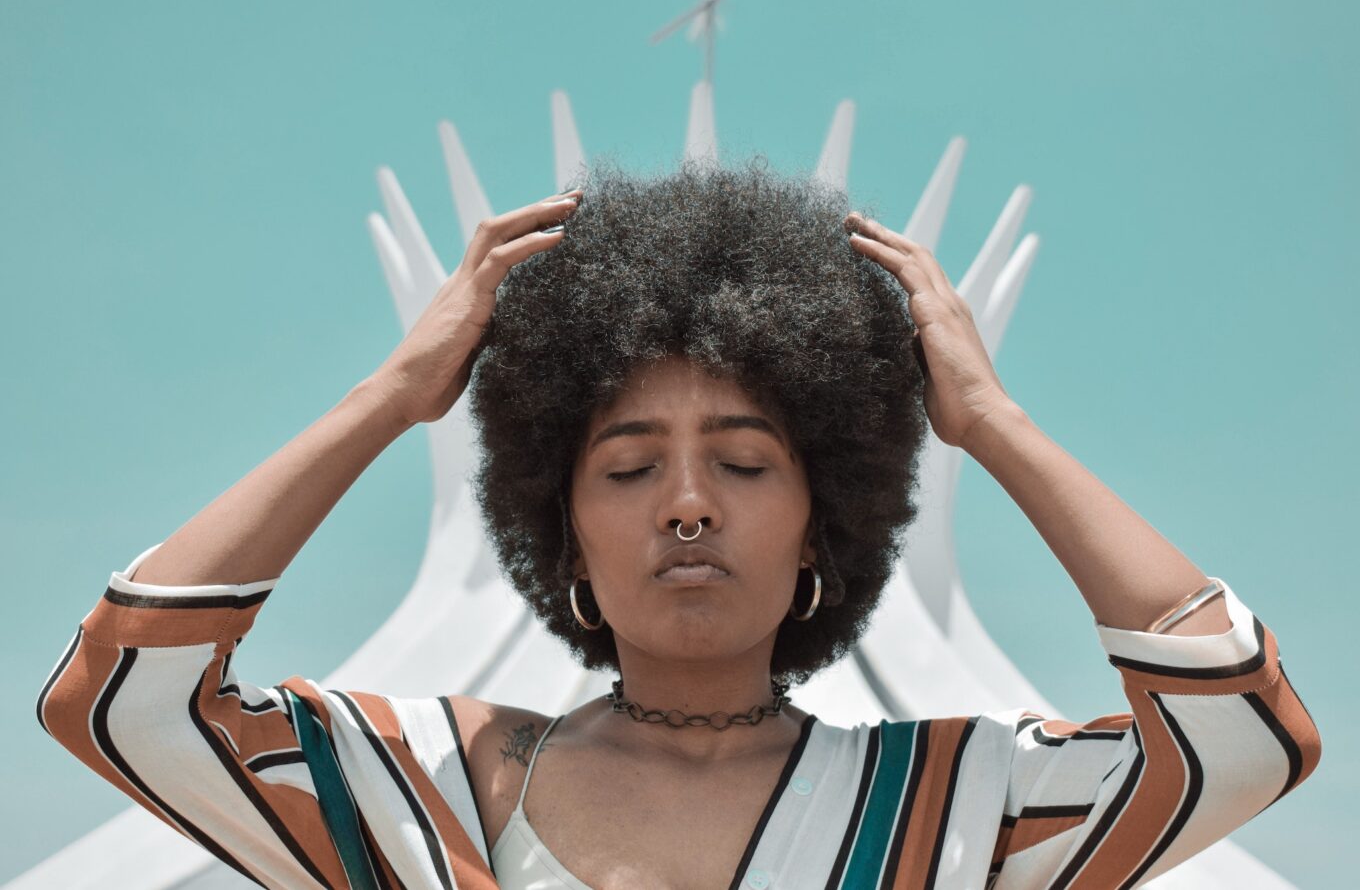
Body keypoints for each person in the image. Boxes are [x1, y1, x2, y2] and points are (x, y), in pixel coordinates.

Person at [37, 156, 1321, 890]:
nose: (688, 503)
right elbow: (118, 703)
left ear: (828, 524)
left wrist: (987, 419)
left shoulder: (952, 807)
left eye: (748, 463)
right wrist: (390, 398)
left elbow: (1242, 735)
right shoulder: (435, 784)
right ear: (560, 528)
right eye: (627, 466)